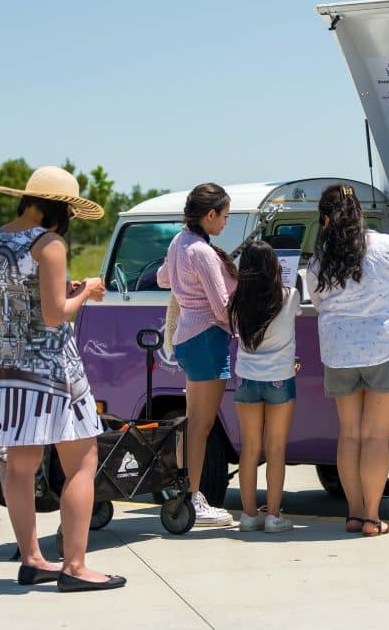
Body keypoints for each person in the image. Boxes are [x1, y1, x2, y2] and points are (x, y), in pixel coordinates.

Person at [0, 166, 124, 592]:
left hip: (8, 367)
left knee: (21, 467)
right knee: (82, 462)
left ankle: (32, 559)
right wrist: (86, 293)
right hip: (53, 372)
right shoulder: (49, 243)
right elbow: (53, 315)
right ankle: (76, 566)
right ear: (60, 207)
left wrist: (64, 291)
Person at [307, 184, 389, 536]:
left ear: (325, 217)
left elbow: (318, 304)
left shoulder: (320, 260)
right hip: (387, 348)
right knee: (375, 437)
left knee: (349, 435)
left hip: (339, 353)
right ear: (360, 213)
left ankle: (353, 514)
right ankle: (372, 517)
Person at [156, 183, 237, 527]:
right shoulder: (202, 251)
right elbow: (221, 306)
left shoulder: (179, 243)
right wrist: (244, 331)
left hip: (187, 337)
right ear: (209, 214)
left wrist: (184, 285)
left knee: (192, 423)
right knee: (201, 427)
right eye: (224, 216)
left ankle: (184, 492)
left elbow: (162, 279)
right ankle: (193, 496)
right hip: (207, 339)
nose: (225, 223)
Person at [226, 241, 301, 534]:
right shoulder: (289, 295)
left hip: (246, 378)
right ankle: (272, 516)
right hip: (280, 378)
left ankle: (247, 515)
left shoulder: (237, 300)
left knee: (250, 449)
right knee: (276, 449)